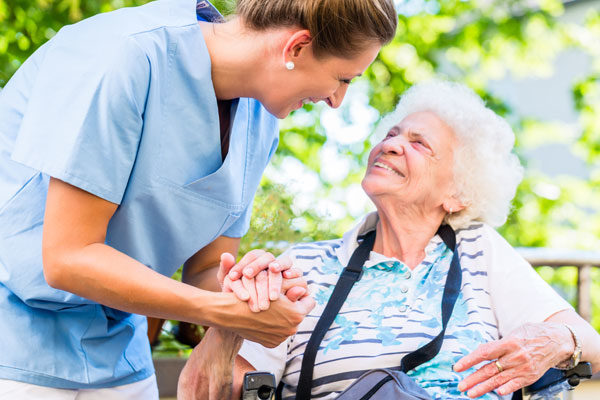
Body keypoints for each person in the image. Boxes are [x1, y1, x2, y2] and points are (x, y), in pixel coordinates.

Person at [0, 0, 398, 398]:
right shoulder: (123, 54)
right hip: (15, 342)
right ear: (295, 47)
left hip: (119, 355)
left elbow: (206, 269)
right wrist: (222, 312)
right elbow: (68, 257)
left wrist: (254, 293)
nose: (337, 100)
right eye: (344, 78)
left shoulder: (260, 123)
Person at [180, 81, 600, 400]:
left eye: (419, 144)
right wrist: (229, 323)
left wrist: (561, 341)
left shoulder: (478, 250)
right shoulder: (303, 266)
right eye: (392, 134)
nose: (393, 145)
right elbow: (205, 393)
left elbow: (590, 345)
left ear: (456, 194)